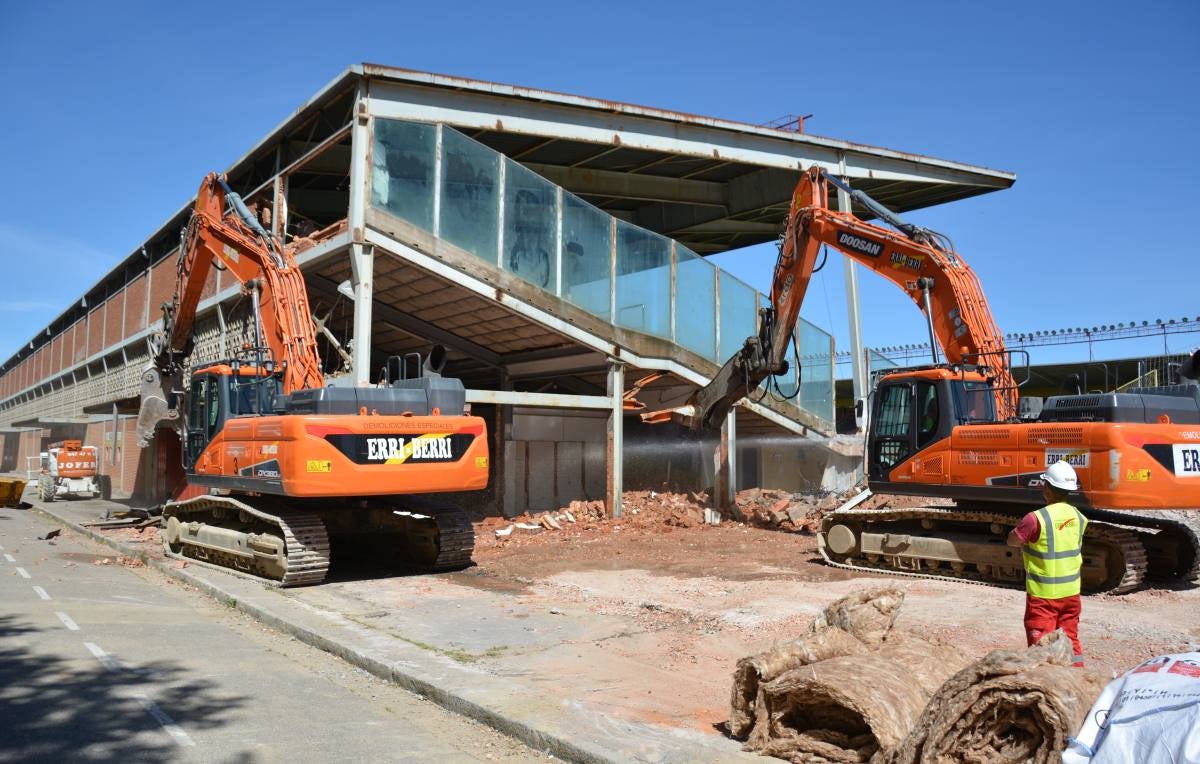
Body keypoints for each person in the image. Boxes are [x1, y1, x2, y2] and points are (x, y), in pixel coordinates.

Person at [1006, 460, 1088, 666]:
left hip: (1043, 596)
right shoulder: (1079, 517)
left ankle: (1044, 685)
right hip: (1071, 593)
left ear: (1047, 488)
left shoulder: (1036, 519)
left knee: (1041, 647)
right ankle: (1079, 679)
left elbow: (1013, 541)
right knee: (1070, 641)